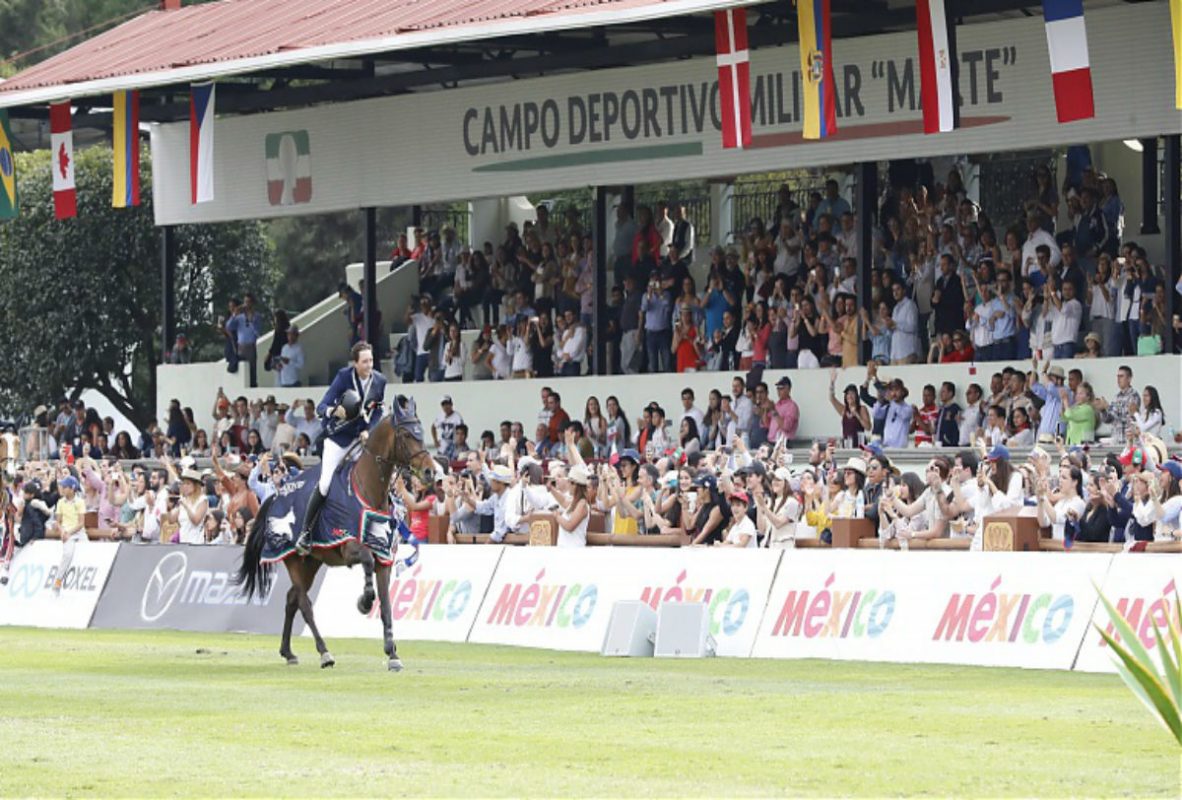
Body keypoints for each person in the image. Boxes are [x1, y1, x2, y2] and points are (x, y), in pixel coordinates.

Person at [295, 342, 387, 555]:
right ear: (355, 363)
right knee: (325, 484)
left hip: (360, 440)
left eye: (371, 360)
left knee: (375, 473)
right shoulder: (344, 377)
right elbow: (321, 407)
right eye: (365, 361)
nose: (369, 365)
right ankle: (305, 532)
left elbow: (378, 410)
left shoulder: (380, 381)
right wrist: (334, 411)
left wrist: (370, 429)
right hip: (338, 439)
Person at [49, 476, 87, 594]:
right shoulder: (60, 502)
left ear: (72, 488)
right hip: (66, 531)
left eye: (65, 487)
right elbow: (58, 521)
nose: (62, 489)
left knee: (90, 550)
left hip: (78, 532)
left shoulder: (80, 502)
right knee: (67, 554)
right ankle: (58, 580)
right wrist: (62, 532)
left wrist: (67, 533)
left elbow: (81, 523)